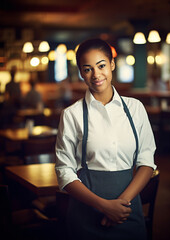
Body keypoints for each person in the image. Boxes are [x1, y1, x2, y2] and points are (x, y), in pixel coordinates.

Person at [55, 38, 156, 240]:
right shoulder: (71, 115)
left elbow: (147, 162)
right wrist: (104, 206)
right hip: (86, 215)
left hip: (128, 212)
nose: (96, 75)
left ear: (111, 64)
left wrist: (120, 206)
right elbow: (64, 171)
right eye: (87, 69)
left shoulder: (136, 108)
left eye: (101, 66)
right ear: (81, 73)